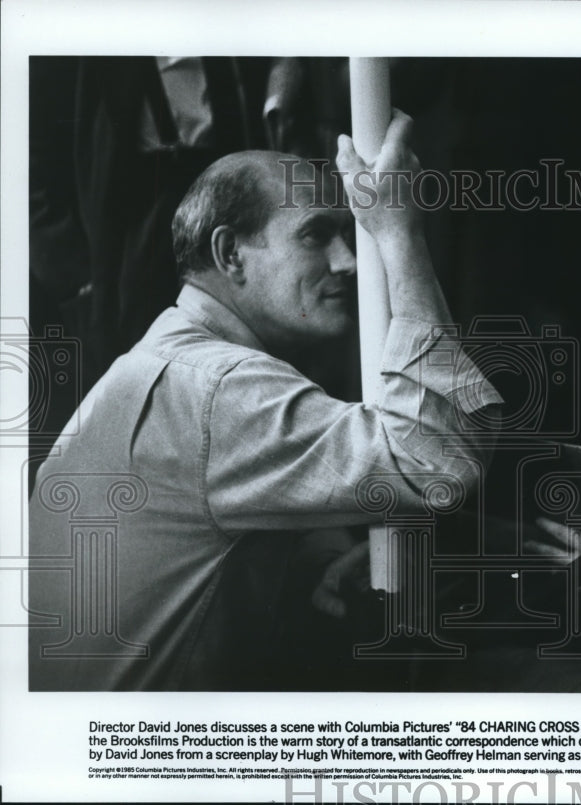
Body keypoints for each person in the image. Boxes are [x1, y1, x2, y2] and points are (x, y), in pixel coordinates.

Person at [28, 111, 502, 691]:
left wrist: (318, 556)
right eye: (315, 234)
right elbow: (439, 463)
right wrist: (400, 234)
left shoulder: (172, 364)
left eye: (352, 234)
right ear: (230, 254)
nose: (350, 262)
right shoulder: (215, 384)